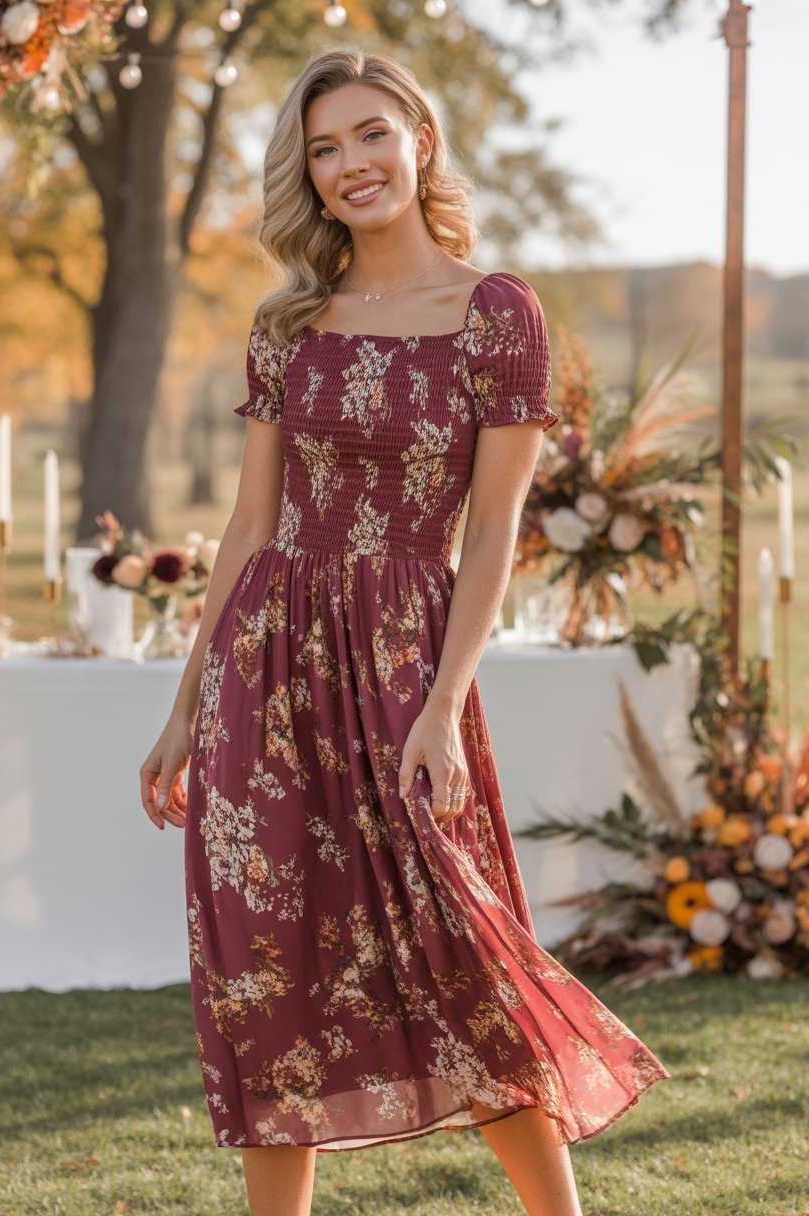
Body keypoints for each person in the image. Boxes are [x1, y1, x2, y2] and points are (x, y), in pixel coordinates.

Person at [139, 46, 671, 1216]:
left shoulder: (497, 314)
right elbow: (247, 527)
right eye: (323, 149)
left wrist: (438, 705)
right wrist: (184, 707)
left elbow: (491, 532)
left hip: (403, 668)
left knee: (458, 954)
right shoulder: (288, 324)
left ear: (419, 138)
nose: (348, 165)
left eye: (369, 134)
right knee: (264, 965)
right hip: (265, 666)